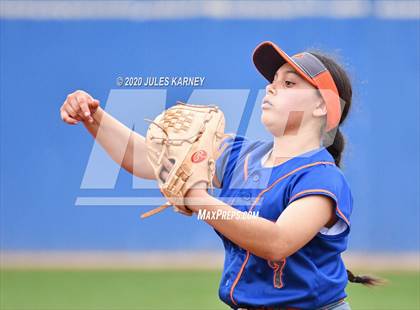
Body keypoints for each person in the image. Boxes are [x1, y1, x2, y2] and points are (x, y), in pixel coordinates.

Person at [60, 41, 383, 309]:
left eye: (288, 83)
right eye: (272, 81)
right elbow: (148, 159)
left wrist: (197, 198)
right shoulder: (242, 155)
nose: (271, 88)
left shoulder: (321, 177)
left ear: (322, 107)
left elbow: (277, 242)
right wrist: (94, 117)